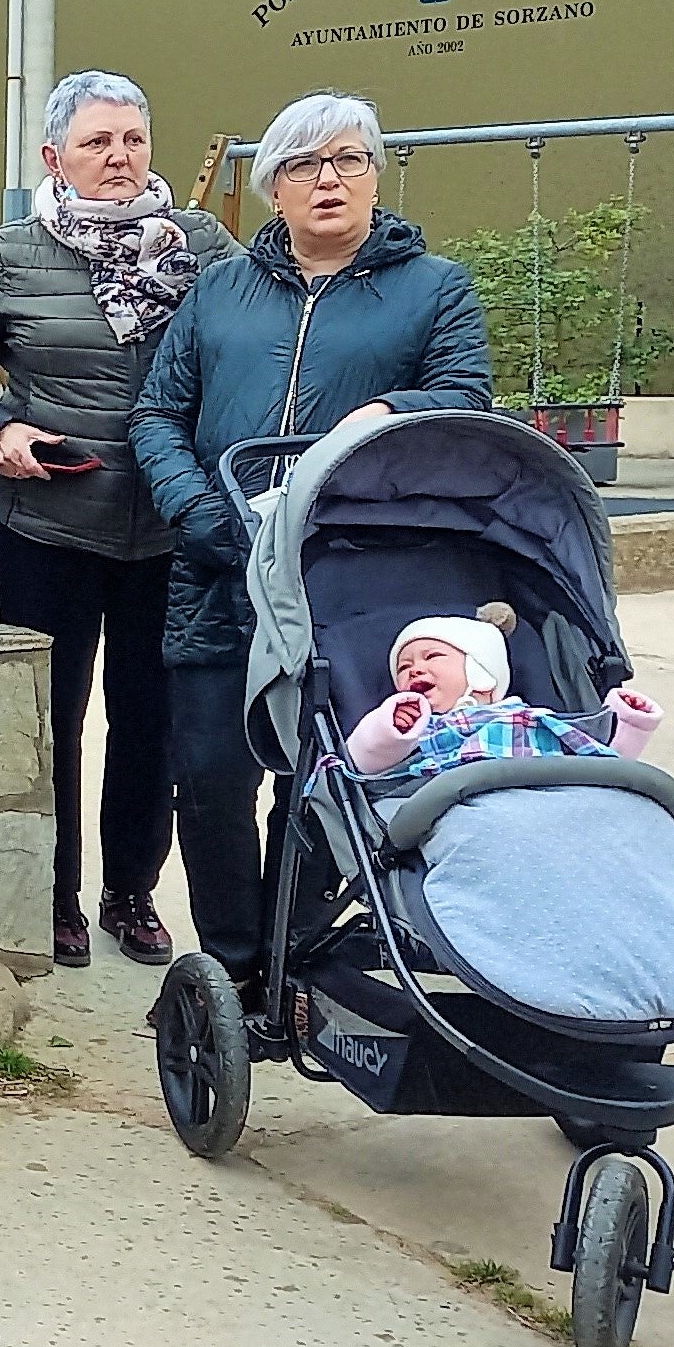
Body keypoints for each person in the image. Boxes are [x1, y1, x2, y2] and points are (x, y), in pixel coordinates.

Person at [132, 91, 491, 993]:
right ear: (273, 188)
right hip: (221, 568)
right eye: (302, 164)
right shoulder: (220, 290)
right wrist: (197, 511)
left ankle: (294, 964)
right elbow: (158, 413)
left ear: (375, 174)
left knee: (328, 781)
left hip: (350, 576)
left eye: (347, 160)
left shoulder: (433, 288)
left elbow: (466, 398)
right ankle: (228, 971)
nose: (326, 180)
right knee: (211, 778)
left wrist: (388, 409)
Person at [0, 71, 235, 971]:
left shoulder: (203, 247)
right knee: (54, 715)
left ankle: (129, 891)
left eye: (133, 138)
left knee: (154, 718)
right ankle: (53, 895)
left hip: (174, 525)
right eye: (98, 142)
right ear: (54, 157)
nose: (120, 156)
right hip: (51, 523)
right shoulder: (12, 253)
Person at [344, 605, 661, 779]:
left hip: (557, 799)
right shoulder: (418, 733)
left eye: (432, 657)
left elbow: (603, 764)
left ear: (481, 675)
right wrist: (391, 729)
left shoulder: (532, 719)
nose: (414, 669)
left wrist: (629, 723)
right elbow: (361, 764)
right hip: (462, 804)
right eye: (403, 667)